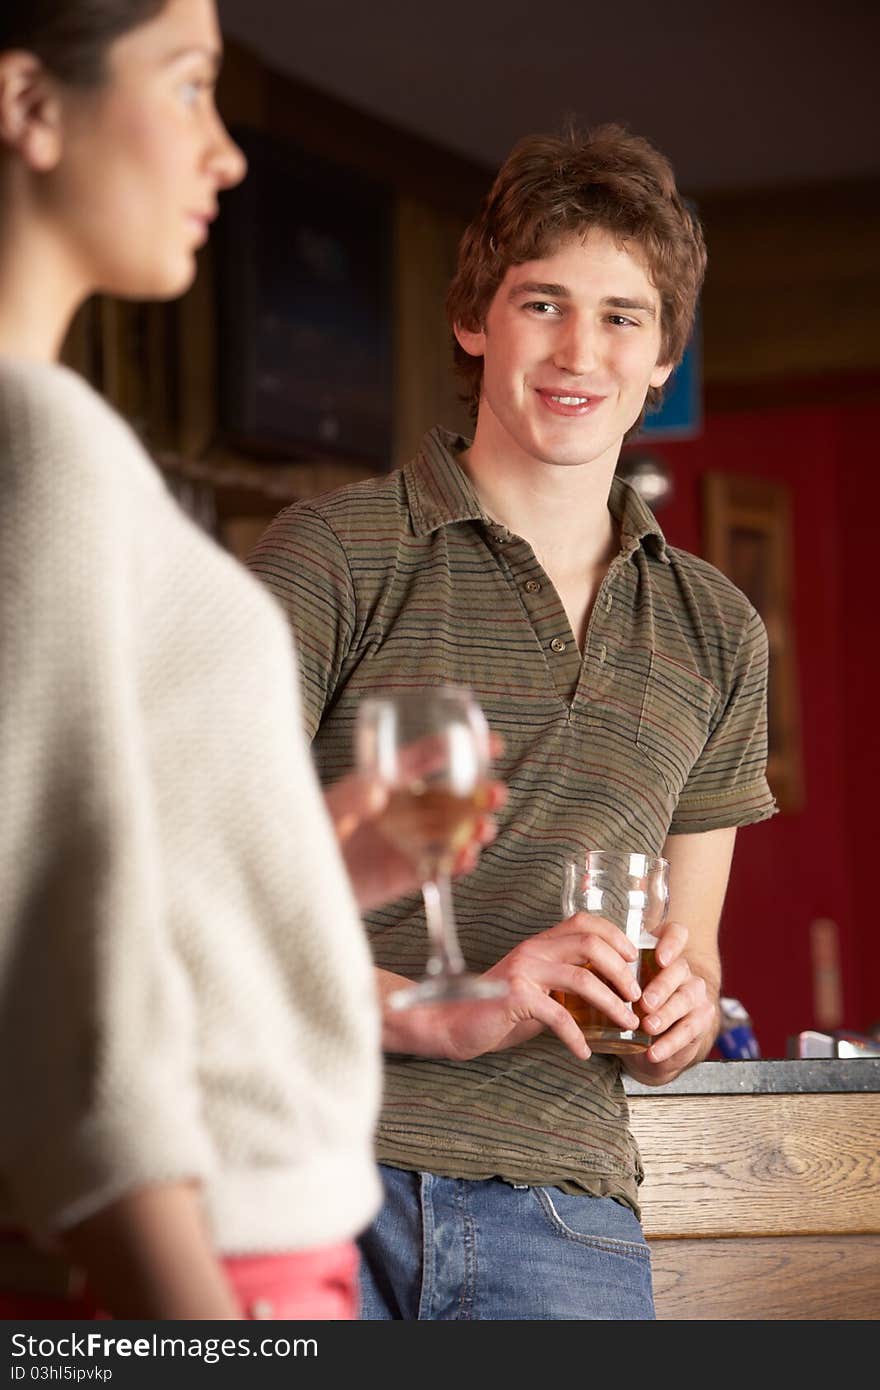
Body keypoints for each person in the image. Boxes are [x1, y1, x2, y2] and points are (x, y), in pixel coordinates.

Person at [0, 0, 503, 1322]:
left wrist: (313, 866)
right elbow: (53, 968)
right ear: (31, 106)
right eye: (186, 88)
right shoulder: (39, 442)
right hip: (205, 1262)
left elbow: (109, 886)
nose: (225, 153)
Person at [247, 124, 777, 1321]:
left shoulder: (718, 631)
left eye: (621, 316)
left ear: (663, 359)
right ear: (473, 320)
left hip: (563, 1209)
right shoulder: (333, 557)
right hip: (310, 1164)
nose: (577, 350)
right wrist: (443, 1005)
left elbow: (690, 953)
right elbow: (201, 897)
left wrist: (683, 1010)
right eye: (541, 303)